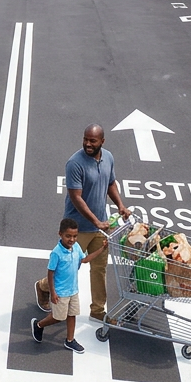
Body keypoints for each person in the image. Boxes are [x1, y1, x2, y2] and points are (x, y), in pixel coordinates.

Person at [36, 125, 130, 322]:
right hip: (77, 229)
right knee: (66, 270)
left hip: (101, 228)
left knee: (99, 268)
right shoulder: (75, 164)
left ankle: (97, 311)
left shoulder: (108, 158)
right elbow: (76, 197)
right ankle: (43, 286)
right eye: (85, 139)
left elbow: (111, 183)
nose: (88, 144)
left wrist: (120, 205)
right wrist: (96, 221)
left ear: (102, 142)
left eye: (92, 141)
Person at [32, 218, 107, 354]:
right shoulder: (56, 253)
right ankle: (39, 324)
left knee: (72, 314)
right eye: (68, 236)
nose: (71, 239)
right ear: (60, 234)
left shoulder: (76, 247)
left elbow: (84, 259)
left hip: (73, 290)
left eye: (74, 236)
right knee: (58, 317)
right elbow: (50, 273)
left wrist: (102, 249)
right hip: (61, 292)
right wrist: (53, 293)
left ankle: (70, 340)